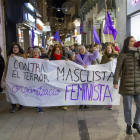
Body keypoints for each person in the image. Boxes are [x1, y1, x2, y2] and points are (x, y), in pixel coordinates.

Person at [113, 36, 140, 135]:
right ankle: (128, 125)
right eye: (132, 41)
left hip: (138, 84)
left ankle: (136, 123)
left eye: (135, 41)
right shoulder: (123, 54)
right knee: (127, 107)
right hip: (126, 84)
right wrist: (115, 82)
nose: (134, 42)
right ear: (127, 43)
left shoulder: (138, 53)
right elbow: (118, 69)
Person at [3, 43, 25, 113]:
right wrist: (4, 76)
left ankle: (21, 103)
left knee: (20, 91)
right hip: (12, 77)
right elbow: (7, 68)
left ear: (19, 49)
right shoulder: (10, 57)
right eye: (14, 47)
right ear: (12, 49)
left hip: (20, 78)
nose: (15, 49)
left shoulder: (23, 56)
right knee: (12, 91)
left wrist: (15, 56)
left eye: (16, 47)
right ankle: (14, 105)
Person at [49, 44, 68, 111]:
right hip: (54, 77)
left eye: (59, 50)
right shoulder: (51, 58)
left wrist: (68, 62)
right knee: (56, 90)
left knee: (62, 90)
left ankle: (63, 104)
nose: (58, 51)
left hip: (62, 76)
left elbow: (67, 66)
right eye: (57, 50)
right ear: (54, 51)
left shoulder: (63, 57)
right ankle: (57, 103)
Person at [101, 44, 118, 110]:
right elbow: (102, 64)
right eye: (107, 48)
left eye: (109, 48)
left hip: (113, 76)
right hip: (106, 76)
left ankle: (111, 101)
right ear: (106, 49)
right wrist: (109, 60)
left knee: (112, 89)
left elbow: (119, 65)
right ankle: (109, 103)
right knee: (107, 89)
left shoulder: (116, 56)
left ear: (111, 49)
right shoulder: (104, 57)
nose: (108, 49)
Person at [32, 48, 44, 113]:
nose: (35, 53)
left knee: (39, 92)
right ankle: (36, 104)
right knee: (35, 92)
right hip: (33, 79)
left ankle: (40, 106)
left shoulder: (42, 61)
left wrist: (46, 61)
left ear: (39, 54)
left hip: (40, 79)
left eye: (36, 52)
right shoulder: (29, 61)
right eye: (34, 53)